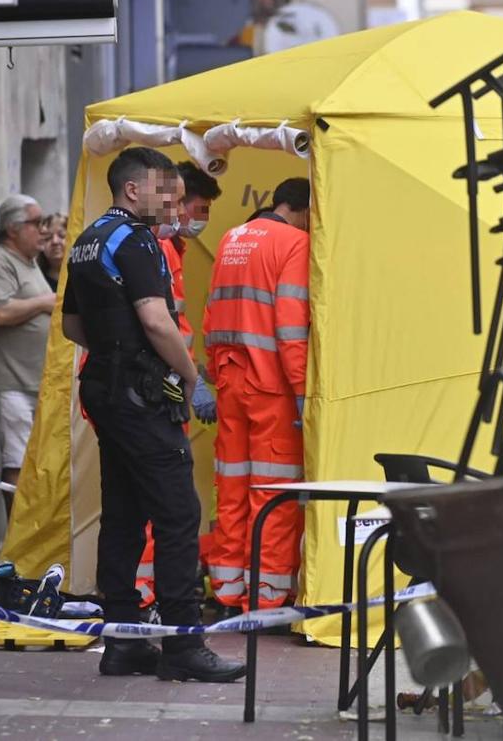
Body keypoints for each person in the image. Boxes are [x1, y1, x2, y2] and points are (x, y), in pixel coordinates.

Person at [61, 146, 246, 682]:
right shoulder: (137, 240)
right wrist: (190, 376)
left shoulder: (90, 238)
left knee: (121, 512)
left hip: (105, 389)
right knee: (178, 513)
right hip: (143, 394)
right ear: (134, 189)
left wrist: (113, 344)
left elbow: (74, 326)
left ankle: (123, 640)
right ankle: (185, 646)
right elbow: (158, 321)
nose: (173, 201)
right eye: (164, 190)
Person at [204, 178, 310, 615]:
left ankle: (228, 592)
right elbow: (290, 327)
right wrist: (303, 390)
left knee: (231, 490)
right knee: (274, 494)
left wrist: (214, 374)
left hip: (229, 381)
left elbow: (212, 314)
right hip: (273, 388)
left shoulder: (231, 239)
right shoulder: (295, 243)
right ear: (305, 209)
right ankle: (266, 598)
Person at [133, 161, 223, 611]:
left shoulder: (168, 249)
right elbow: (160, 324)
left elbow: (178, 326)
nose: (198, 218)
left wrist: (194, 377)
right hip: (157, 389)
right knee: (164, 499)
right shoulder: (158, 249)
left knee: (156, 497)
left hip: (160, 386)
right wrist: (191, 381)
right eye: (197, 208)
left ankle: (145, 595)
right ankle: (148, 596)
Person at [0, 194, 56, 503]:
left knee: (39, 463)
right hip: (13, 383)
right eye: (35, 223)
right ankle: (17, 539)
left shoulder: (30, 261)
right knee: (17, 462)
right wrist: (44, 302)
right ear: (12, 229)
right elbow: (1, 312)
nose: (43, 230)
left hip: (37, 380)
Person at [37, 212, 67, 291]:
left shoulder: (81, 276)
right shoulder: (36, 280)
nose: (55, 241)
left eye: (62, 235)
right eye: (48, 238)